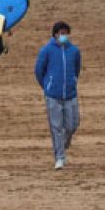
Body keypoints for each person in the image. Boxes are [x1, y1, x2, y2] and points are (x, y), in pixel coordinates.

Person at [34, 21, 82, 170]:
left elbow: (76, 69)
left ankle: (64, 143)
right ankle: (60, 157)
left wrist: (72, 82)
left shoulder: (74, 51)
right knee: (56, 127)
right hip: (53, 96)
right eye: (62, 33)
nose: (64, 36)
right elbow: (38, 70)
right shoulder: (46, 50)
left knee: (73, 124)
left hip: (70, 94)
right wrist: (47, 86)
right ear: (55, 34)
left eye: (66, 33)